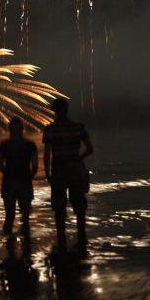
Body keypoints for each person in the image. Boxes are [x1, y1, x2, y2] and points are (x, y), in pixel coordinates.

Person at [43, 98, 94, 253]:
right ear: (67, 109)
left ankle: (61, 240)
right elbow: (90, 148)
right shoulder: (79, 127)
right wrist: (79, 157)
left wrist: (47, 174)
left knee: (59, 208)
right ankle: (81, 237)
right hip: (75, 170)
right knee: (79, 207)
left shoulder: (50, 129)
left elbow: (47, 154)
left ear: (54, 111)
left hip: (58, 171)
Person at [0, 116, 38, 238]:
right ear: (22, 129)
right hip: (25, 181)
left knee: (9, 216)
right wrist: (29, 177)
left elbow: (0, 166)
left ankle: (8, 245)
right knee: (25, 218)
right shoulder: (30, 145)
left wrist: (9, 174)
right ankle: (27, 246)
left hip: (9, 181)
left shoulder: (3, 145)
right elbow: (35, 166)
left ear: (9, 129)